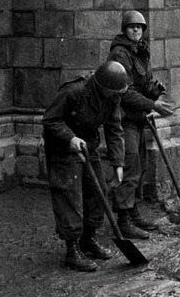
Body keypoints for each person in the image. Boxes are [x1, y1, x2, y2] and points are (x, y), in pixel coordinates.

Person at [42, 61, 128, 272]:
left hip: (88, 146)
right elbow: (50, 120)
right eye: (112, 91)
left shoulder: (113, 97)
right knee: (69, 196)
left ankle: (88, 240)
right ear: (102, 86)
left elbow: (114, 128)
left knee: (98, 191)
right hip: (63, 149)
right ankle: (72, 249)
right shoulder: (74, 92)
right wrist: (70, 138)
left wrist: (118, 163)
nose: (114, 95)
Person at [107, 10, 174, 240]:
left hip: (138, 118)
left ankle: (133, 211)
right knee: (130, 165)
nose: (136, 30)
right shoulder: (120, 54)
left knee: (141, 166)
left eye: (140, 27)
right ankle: (123, 220)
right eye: (131, 27)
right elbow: (125, 93)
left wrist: (152, 91)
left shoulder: (140, 52)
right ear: (124, 30)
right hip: (123, 118)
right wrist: (153, 104)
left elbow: (141, 85)